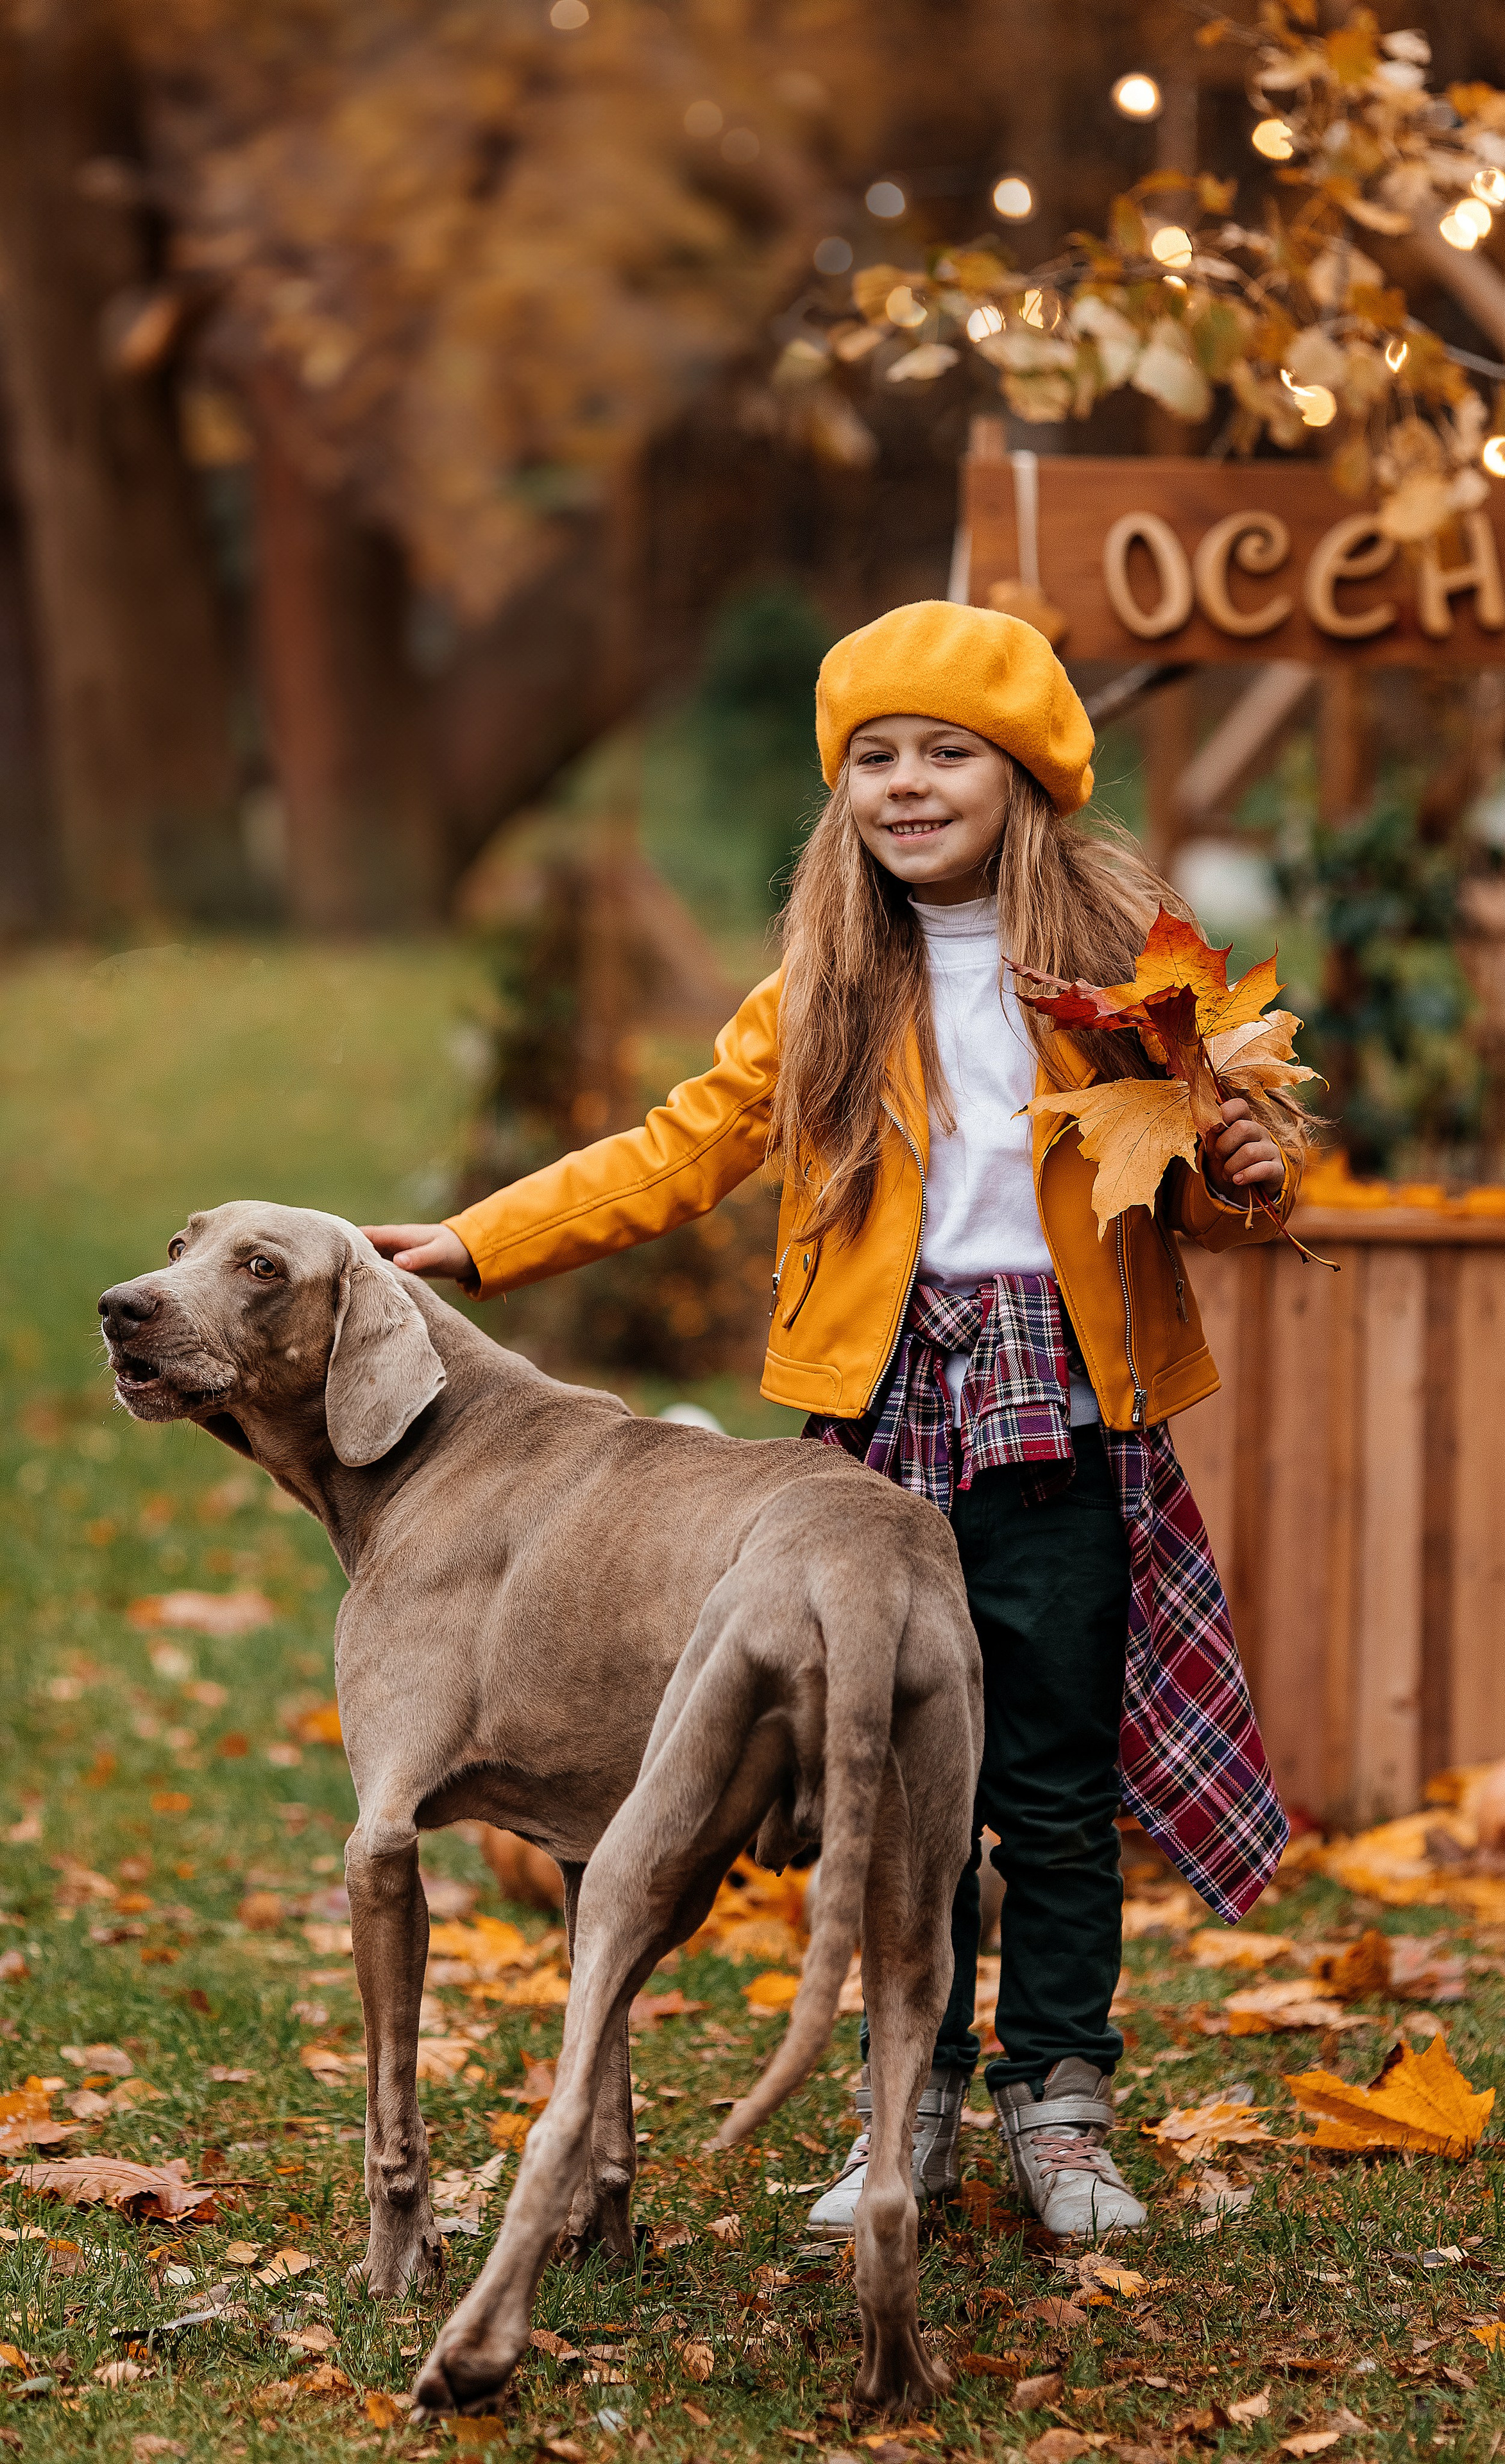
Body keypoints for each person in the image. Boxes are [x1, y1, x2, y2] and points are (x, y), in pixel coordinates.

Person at [366, 600, 1302, 2243]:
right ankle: (907, 2101)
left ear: (1021, 777)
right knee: (885, 1777)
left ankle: (1060, 2101)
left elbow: (1207, 1172)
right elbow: (676, 1151)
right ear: (840, 792)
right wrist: (479, 1240)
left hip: (1066, 1405)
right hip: (865, 1430)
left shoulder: (1126, 977)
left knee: (1052, 1783)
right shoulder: (822, 989)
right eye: (874, 758)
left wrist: (1243, 1173)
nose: (908, 784)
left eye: (946, 752)